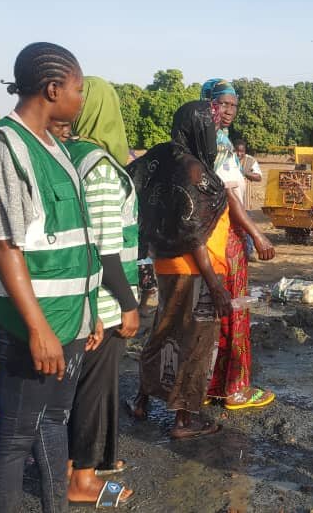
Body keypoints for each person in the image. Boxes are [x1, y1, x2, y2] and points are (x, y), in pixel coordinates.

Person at [0, 42, 103, 512]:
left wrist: (90, 313)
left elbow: (72, 239)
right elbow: (5, 246)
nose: (81, 99)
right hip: (35, 326)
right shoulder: (2, 148)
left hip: (71, 320)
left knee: (53, 423)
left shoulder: (54, 147)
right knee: (15, 434)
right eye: (78, 90)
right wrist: (38, 329)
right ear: (53, 89)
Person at [129, 101, 231, 439]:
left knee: (163, 331)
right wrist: (215, 285)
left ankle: (142, 399)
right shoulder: (193, 169)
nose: (214, 135)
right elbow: (193, 231)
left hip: (164, 263)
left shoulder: (158, 158)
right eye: (211, 128)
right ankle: (184, 421)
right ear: (199, 128)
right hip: (195, 270)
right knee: (196, 341)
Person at [61, 77, 140, 506]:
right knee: (92, 389)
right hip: (104, 302)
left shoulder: (66, 156)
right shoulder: (103, 168)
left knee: (72, 388)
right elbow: (106, 252)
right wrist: (128, 306)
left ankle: (71, 465)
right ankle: (82, 480)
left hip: (74, 296)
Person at [201, 79, 277, 410]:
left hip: (205, 237)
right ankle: (235, 389)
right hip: (228, 236)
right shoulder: (219, 143)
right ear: (208, 103)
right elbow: (229, 194)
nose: (229, 110)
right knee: (235, 309)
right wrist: (257, 234)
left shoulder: (197, 138)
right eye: (223, 104)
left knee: (211, 312)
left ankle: (208, 385)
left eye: (233, 105)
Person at [235, 139, 263, 257]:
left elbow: (259, 177)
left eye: (241, 151)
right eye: (237, 151)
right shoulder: (228, 160)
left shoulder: (251, 161)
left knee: (247, 227)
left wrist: (245, 173)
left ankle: (250, 252)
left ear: (245, 151)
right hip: (231, 201)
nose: (239, 154)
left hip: (245, 201)